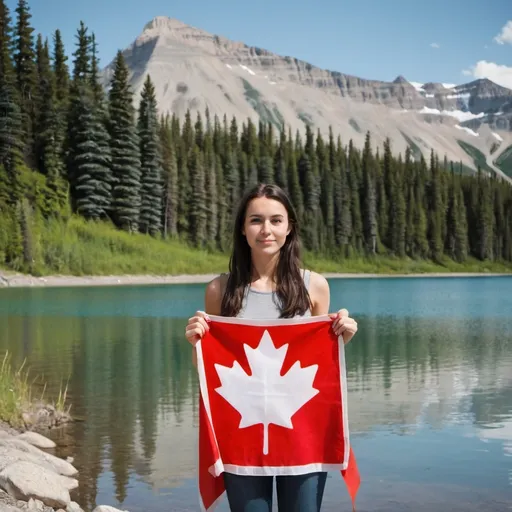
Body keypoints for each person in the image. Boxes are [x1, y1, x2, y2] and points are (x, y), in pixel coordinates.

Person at [185, 183, 358, 512]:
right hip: (241, 434)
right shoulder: (219, 290)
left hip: (303, 433)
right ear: (243, 228)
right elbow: (209, 371)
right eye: (256, 220)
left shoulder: (315, 286)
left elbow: (317, 363)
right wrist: (197, 343)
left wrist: (340, 337)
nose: (266, 230)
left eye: (276, 220)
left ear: (289, 227)